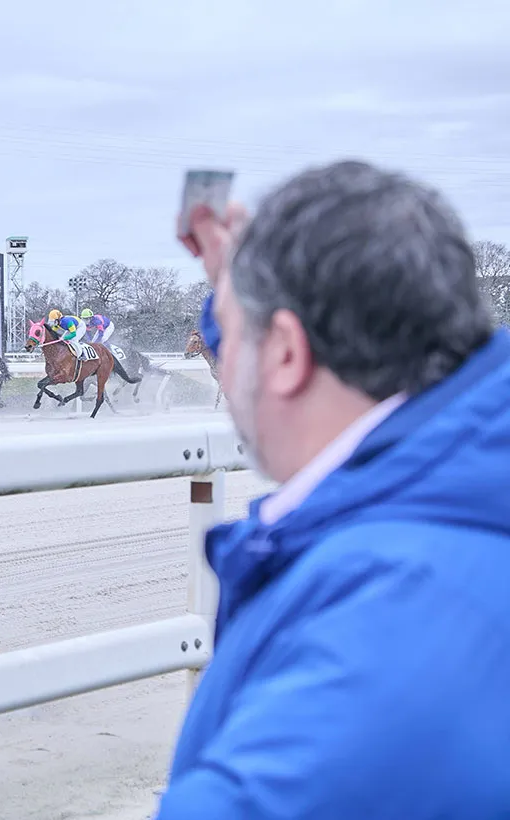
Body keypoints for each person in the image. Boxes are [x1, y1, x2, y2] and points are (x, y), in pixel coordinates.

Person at [154, 160, 510, 818]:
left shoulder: (385, 619)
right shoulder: (473, 464)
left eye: (229, 337)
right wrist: (236, 303)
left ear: (287, 353)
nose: (222, 357)